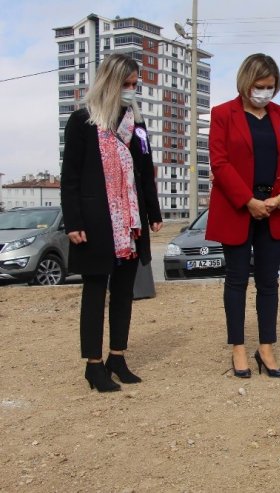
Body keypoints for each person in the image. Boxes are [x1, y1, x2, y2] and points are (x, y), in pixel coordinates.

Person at [61, 54, 163, 392]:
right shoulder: (82, 122)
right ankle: (93, 365)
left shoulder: (137, 125)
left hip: (130, 222)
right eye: (127, 83)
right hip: (96, 220)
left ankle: (117, 357)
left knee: (124, 291)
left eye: (135, 84)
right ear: (111, 82)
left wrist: (155, 212)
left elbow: (145, 172)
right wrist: (73, 221)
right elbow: (70, 176)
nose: (132, 90)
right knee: (95, 291)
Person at [206, 53, 280, 379]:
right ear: (247, 83)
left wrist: (279, 198)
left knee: (269, 282)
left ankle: (266, 347)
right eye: (260, 86)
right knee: (236, 280)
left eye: (271, 87)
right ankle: (238, 348)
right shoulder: (222, 114)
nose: (265, 92)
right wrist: (248, 200)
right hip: (237, 208)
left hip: (273, 208)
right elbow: (219, 163)